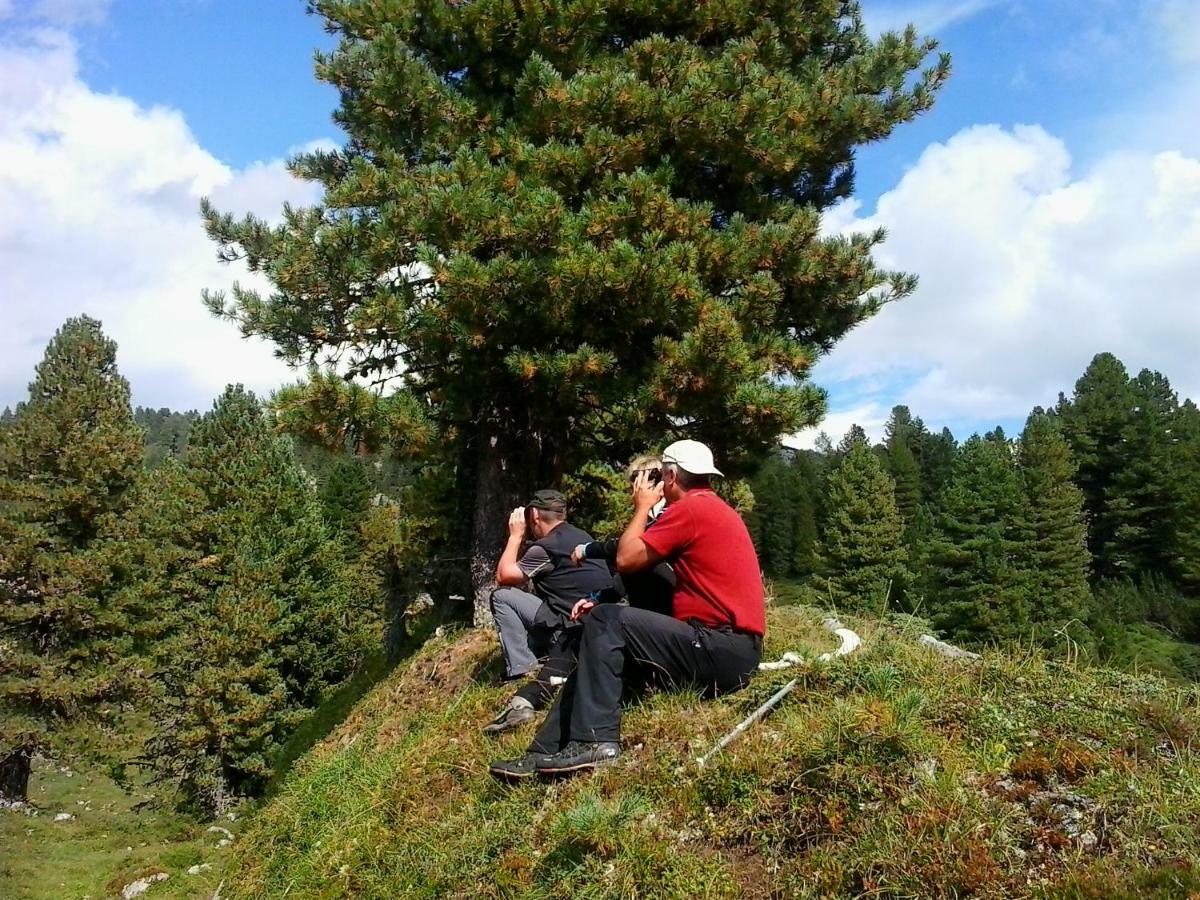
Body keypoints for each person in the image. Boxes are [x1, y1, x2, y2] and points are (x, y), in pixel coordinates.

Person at [489, 440, 764, 779]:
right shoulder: (709, 507)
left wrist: (641, 506)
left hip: (721, 647)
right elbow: (637, 566)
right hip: (725, 650)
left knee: (606, 620)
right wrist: (603, 593)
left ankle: (596, 742)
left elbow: (626, 557)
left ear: (672, 476)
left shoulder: (690, 510)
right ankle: (541, 752)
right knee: (596, 653)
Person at [484, 490, 614, 733]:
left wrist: (515, 536)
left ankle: (522, 668)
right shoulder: (581, 536)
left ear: (534, 515)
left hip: (569, 629)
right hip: (598, 625)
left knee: (502, 597)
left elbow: (504, 576)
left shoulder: (546, 548)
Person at [570, 455, 676, 617]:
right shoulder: (650, 516)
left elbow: (627, 548)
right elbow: (633, 566)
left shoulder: (668, 515)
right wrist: (600, 597)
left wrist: (587, 550)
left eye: (639, 482)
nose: (633, 491)